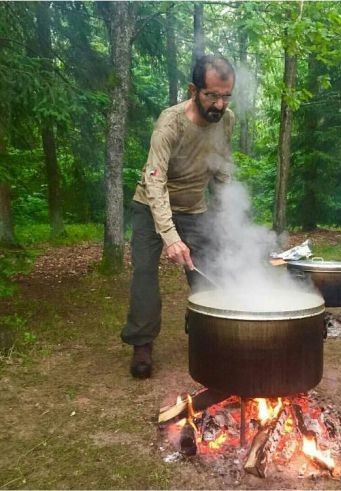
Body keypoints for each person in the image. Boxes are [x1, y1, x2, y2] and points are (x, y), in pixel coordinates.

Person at [121, 54, 235, 378]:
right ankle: (142, 343)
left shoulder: (227, 120)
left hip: (194, 208)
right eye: (211, 95)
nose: (219, 104)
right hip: (149, 205)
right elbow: (154, 179)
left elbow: (222, 169)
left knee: (205, 274)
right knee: (144, 275)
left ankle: (207, 334)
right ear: (193, 90)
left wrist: (230, 221)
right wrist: (170, 237)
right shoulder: (170, 122)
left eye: (226, 96)